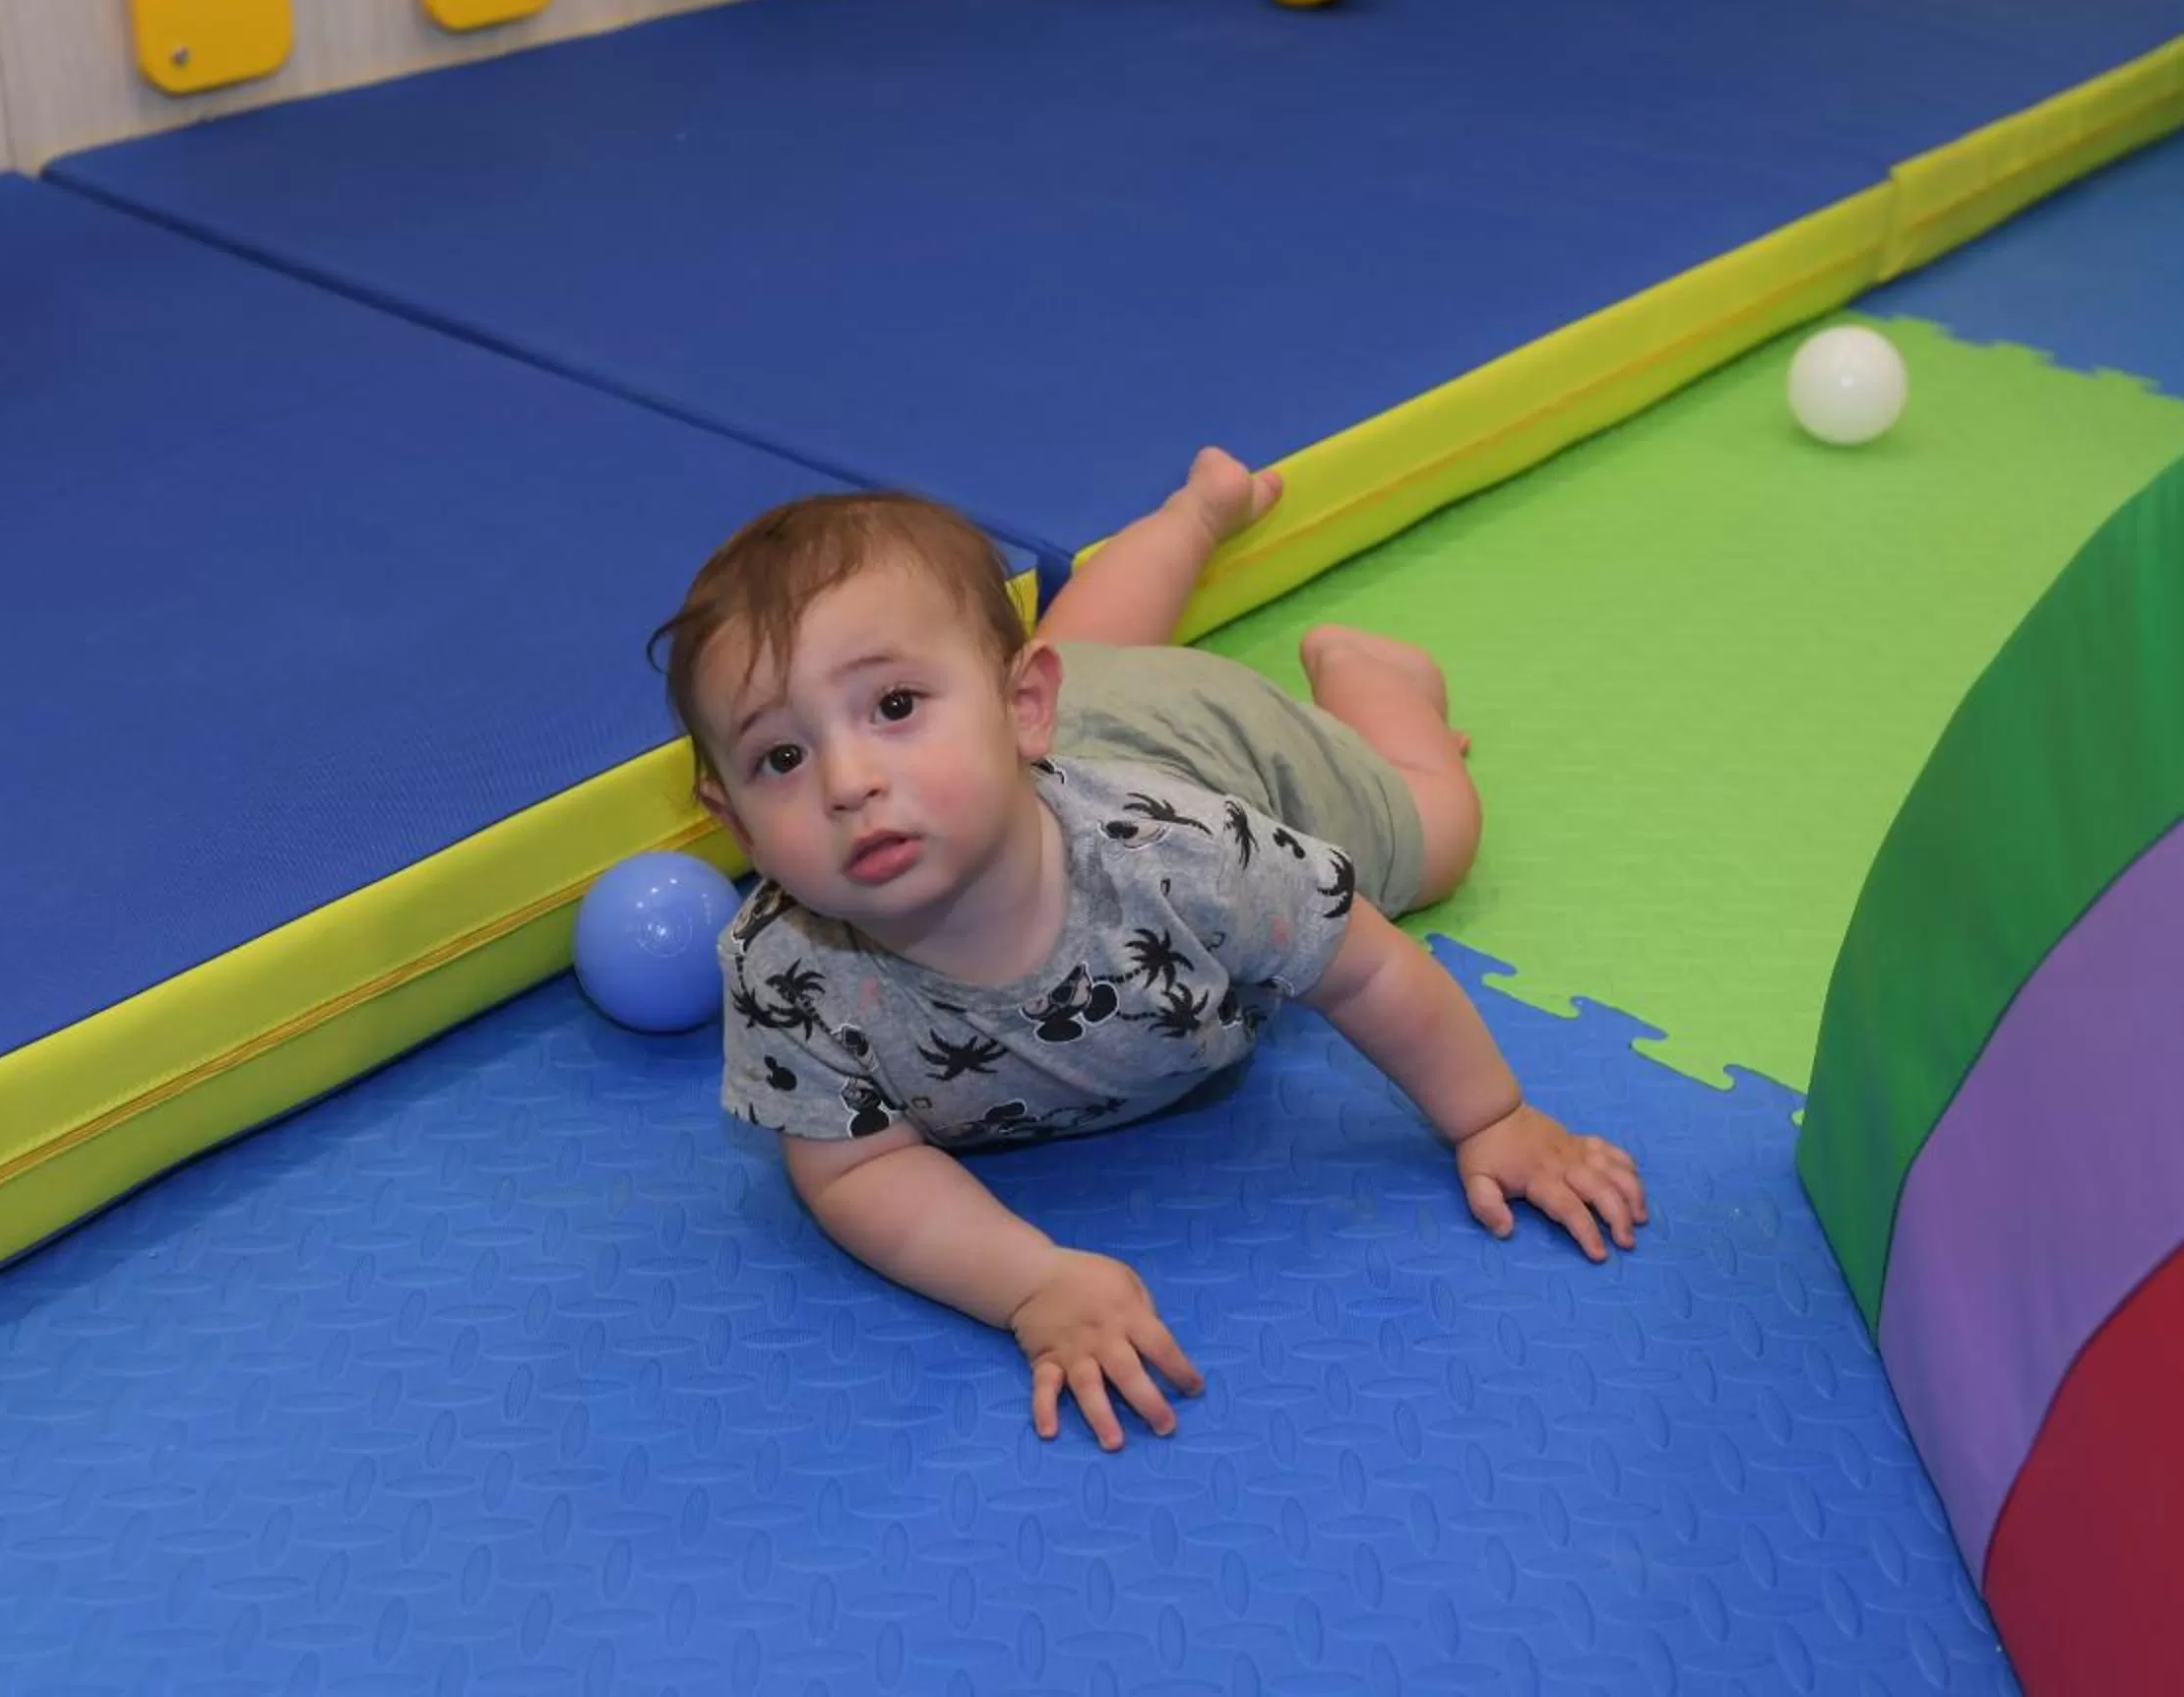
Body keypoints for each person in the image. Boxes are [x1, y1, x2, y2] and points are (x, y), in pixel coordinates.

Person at [649, 447, 1649, 1451]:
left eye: (895, 705)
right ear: (731, 818)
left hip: (1203, 738)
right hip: (1067, 705)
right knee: (1074, 655)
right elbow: (855, 1171)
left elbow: (1370, 963)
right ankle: (1195, 512)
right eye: (781, 754)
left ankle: (1376, 681)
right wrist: (1030, 1279)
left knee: (1436, 837)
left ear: (1016, 711)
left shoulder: (1186, 854)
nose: (849, 779)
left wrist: (1494, 1115)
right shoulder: (787, 969)